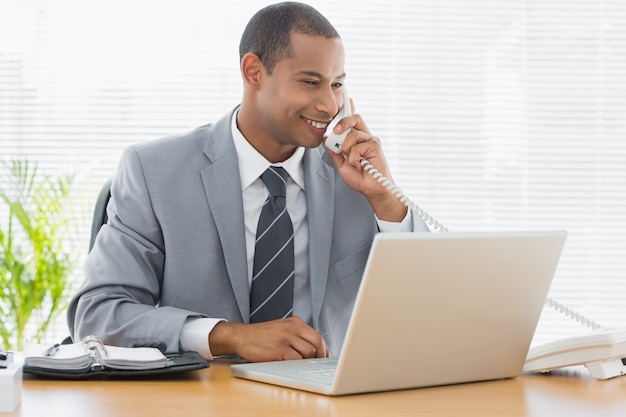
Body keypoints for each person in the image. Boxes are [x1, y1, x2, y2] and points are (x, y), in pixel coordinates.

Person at [67, 1, 429, 363]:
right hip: (203, 398)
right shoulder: (154, 172)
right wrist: (228, 336)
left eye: (336, 84)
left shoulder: (354, 177)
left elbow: (427, 308)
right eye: (310, 82)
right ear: (254, 72)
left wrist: (386, 201)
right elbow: (98, 314)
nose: (329, 104)